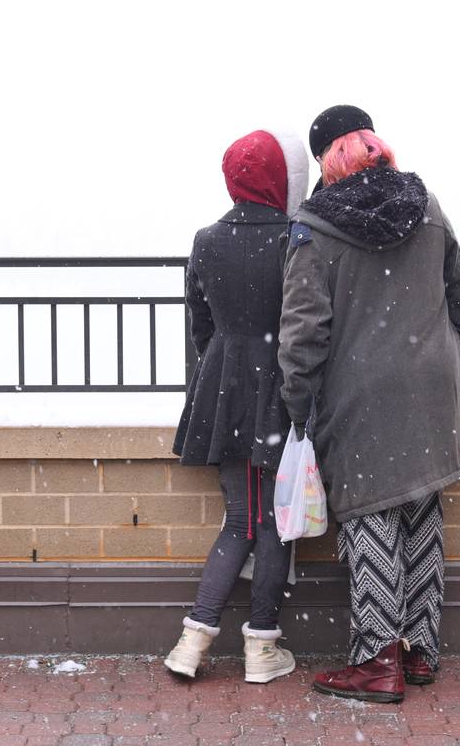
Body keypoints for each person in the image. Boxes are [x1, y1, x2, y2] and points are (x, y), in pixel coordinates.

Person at [278, 105, 460, 703]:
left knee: (370, 514)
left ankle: (377, 660)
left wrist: (298, 406)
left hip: (361, 395)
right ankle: (420, 650)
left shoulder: (313, 228)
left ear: (326, 159)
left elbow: (303, 335)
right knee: (421, 507)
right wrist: (432, 351)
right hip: (433, 388)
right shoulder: (427, 207)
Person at [165, 128, 309, 683]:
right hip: (278, 392)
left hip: (222, 393)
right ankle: (260, 649)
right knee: (271, 525)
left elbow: (201, 323)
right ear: (278, 179)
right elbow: (304, 319)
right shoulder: (295, 237)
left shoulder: (206, 239)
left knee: (240, 521)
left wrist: (226, 365)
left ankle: (193, 641)